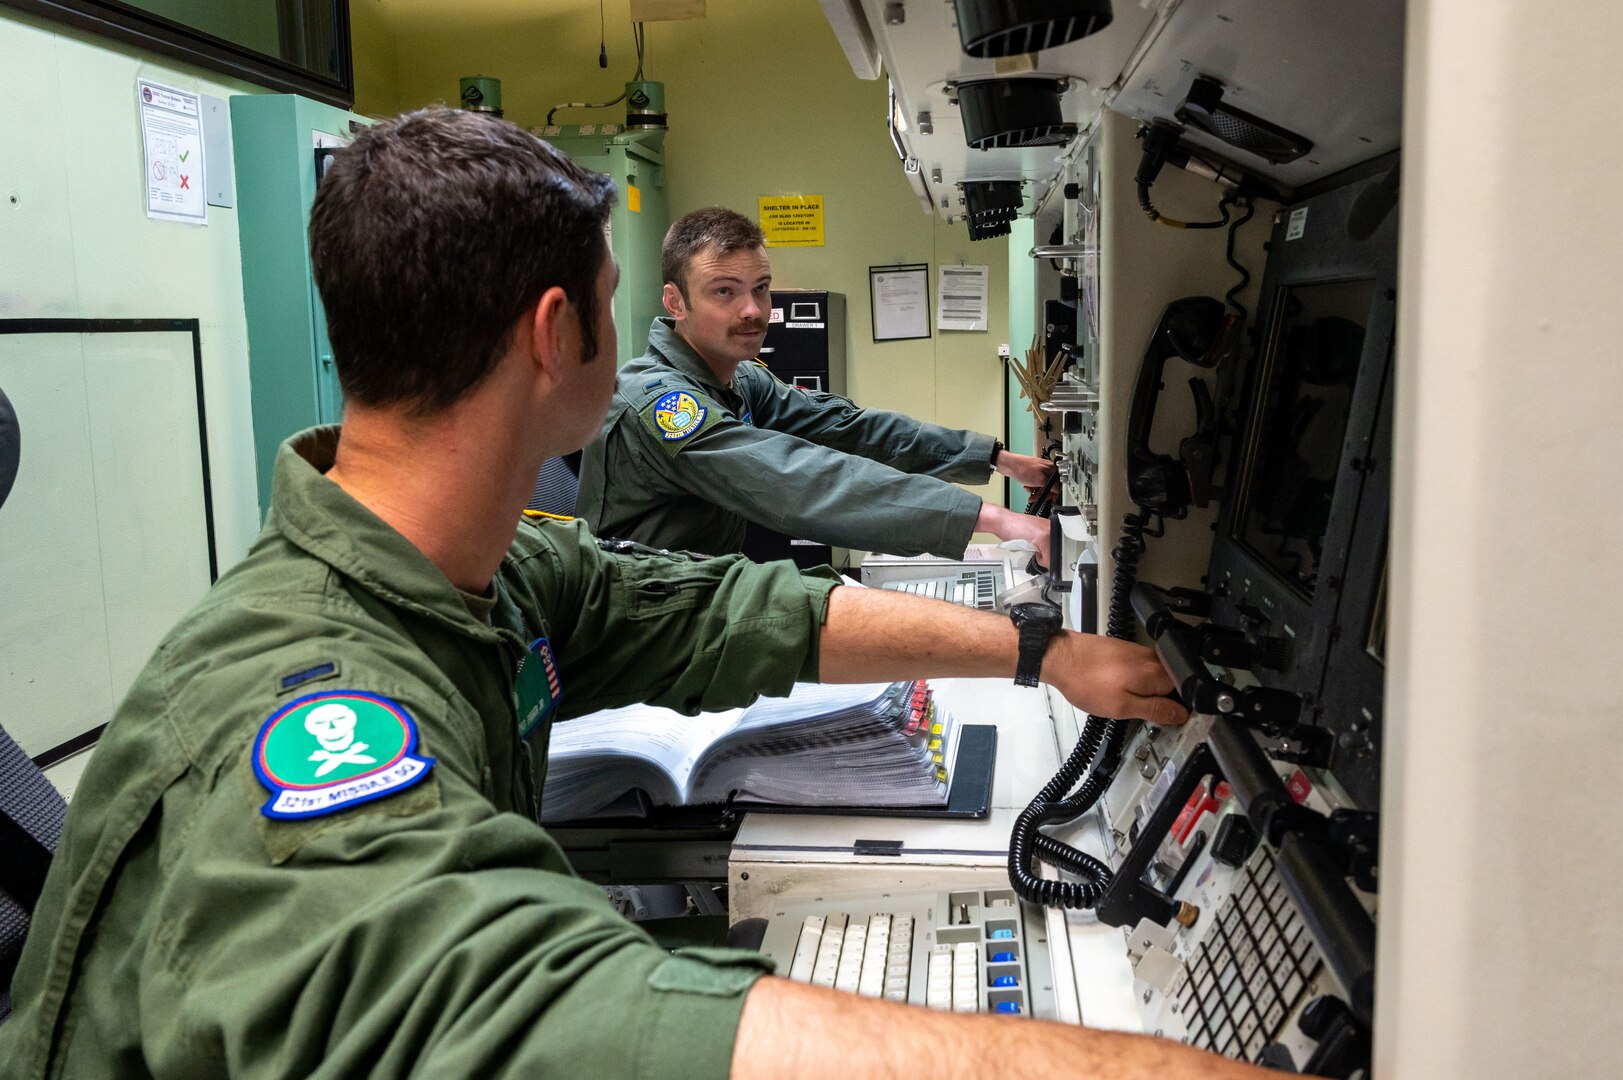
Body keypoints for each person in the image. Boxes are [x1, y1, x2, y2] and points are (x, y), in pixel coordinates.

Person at [0, 109, 1269, 1080]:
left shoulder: (470, 570)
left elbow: (721, 610)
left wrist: (1038, 651)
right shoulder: (314, 718)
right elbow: (548, 1017)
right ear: (559, 334)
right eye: (619, 306)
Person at [576, 207, 1060, 565]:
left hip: (699, 590)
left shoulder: (739, 377)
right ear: (675, 302)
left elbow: (846, 428)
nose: (753, 310)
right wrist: (994, 519)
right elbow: (795, 480)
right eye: (724, 291)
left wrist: (996, 458)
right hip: (639, 621)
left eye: (760, 288)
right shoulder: (662, 404)